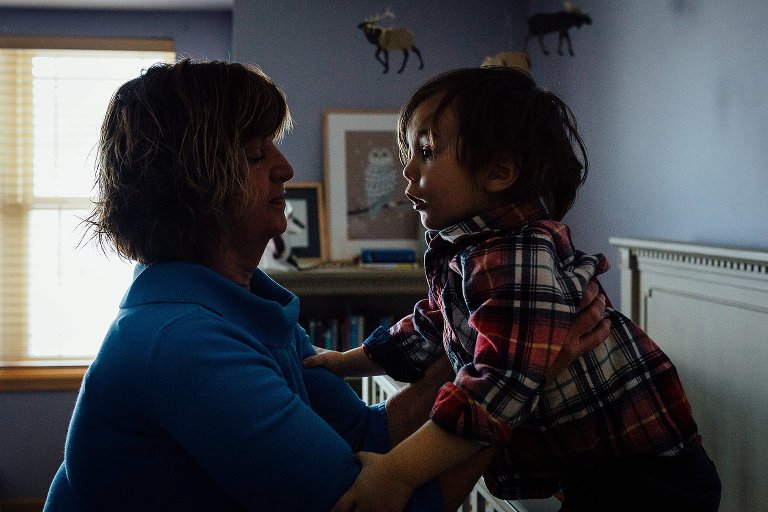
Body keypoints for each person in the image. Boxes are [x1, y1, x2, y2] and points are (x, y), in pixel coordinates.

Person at [42, 60, 608, 512]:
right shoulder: (184, 345)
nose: (287, 168)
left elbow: (371, 431)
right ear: (198, 183)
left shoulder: (243, 304)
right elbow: (385, 505)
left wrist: (488, 352)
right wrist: (523, 379)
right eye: (258, 154)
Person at [304, 66, 721, 512]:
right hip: (600, 472)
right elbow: (430, 326)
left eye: (425, 151)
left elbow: (500, 383)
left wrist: (399, 470)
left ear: (498, 172)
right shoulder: (471, 251)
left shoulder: (516, 255)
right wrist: (345, 362)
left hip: (651, 478)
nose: (407, 171)